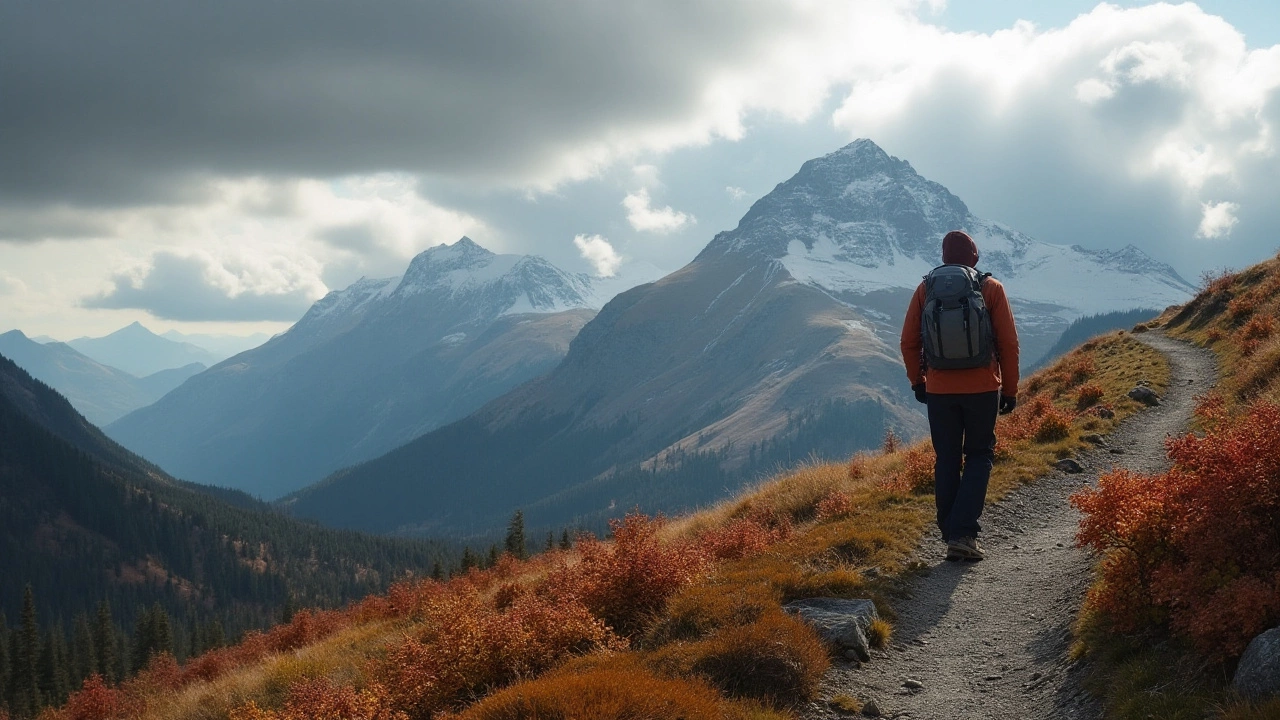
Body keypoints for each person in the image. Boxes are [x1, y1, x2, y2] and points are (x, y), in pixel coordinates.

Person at [900, 230, 1019, 561]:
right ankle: (963, 533)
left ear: (943, 257)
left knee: (947, 457)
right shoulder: (991, 289)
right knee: (979, 455)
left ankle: (950, 528)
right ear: (975, 257)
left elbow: (908, 342)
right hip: (983, 389)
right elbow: (1009, 344)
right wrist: (1009, 390)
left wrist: (918, 382)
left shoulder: (926, 289)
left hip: (939, 391)